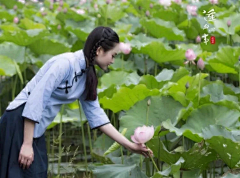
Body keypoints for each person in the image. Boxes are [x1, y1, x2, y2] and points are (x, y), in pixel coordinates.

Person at [0, 26, 153, 178]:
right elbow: (36, 99)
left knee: (38, 173)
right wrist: (27, 144)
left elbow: (97, 117)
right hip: (20, 121)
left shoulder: (88, 74)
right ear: (99, 50)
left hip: (35, 128)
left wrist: (130, 146)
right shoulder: (65, 63)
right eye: (113, 55)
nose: (113, 61)